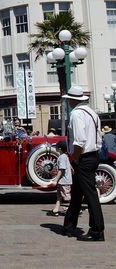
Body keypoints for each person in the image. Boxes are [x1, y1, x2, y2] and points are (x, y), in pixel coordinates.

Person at [62, 85, 105, 242]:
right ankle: (69, 226)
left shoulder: (76, 114)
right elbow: (98, 138)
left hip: (83, 157)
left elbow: (79, 140)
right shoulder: (93, 113)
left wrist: (76, 159)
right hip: (92, 155)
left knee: (89, 194)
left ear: (73, 100)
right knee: (77, 193)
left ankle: (97, 230)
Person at [46, 141, 72, 216]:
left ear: (59, 149)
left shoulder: (62, 157)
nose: (55, 148)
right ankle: (56, 209)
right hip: (63, 181)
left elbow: (62, 169)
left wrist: (55, 180)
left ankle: (75, 209)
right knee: (59, 196)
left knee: (67, 196)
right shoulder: (65, 156)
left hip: (64, 181)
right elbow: (69, 167)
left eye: (56, 147)